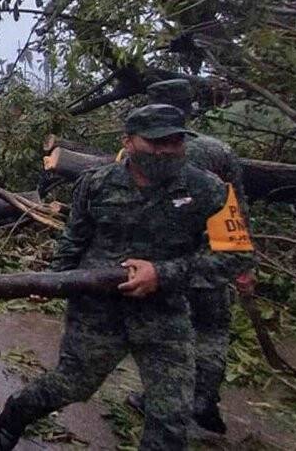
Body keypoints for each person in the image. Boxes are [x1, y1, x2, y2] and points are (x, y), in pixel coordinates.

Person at [0, 105, 254, 451]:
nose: (166, 149)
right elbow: (75, 239)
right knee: (72, 385)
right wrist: (54, 280)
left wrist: (161, 274)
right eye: (156, 141)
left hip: (165, 312)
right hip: (98, 309)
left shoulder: (212, 191)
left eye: (175, 141)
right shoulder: (96, 184)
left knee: (171, 414)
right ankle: (17, 411)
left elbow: (236, 254)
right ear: (128, 142)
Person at [123, 79, 253, 433]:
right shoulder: (219, 150)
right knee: (212, 329)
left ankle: (161, 402)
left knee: (165, 333)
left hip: (163, 263)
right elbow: (236, 206)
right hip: (215, 259)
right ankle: (204, 399)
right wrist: (242, 262)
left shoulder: (140, 153)